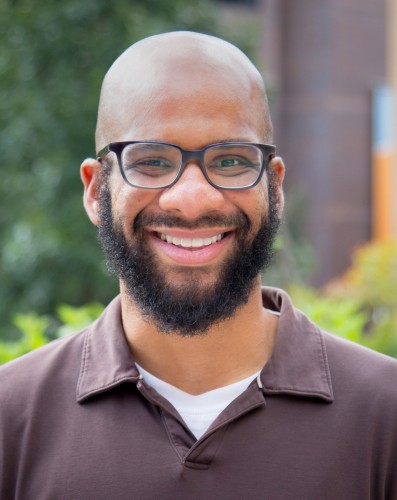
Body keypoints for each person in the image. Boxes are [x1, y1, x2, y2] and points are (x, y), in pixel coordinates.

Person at [0, 31, 396, 500]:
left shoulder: (385, 414)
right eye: (150, 160)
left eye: (230, 160)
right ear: (95, 191)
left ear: (275, 188)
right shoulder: (11, 418)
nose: (191, 200)